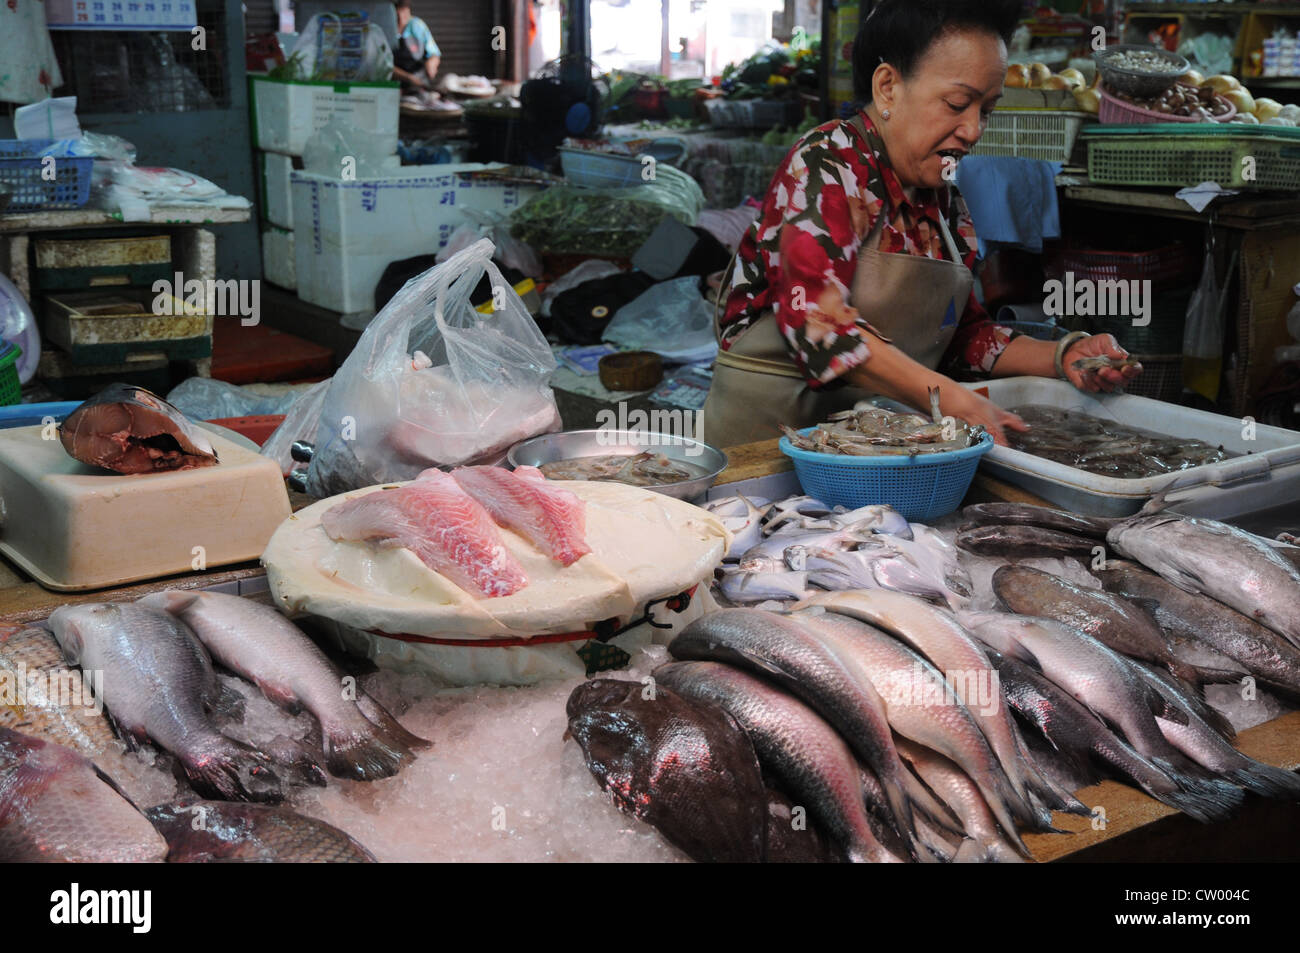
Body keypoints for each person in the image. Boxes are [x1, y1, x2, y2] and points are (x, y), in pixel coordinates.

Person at [702, 0, 1142, 449]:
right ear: (888, 87)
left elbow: (961, 338)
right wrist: (948, 398)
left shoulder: (943, 200)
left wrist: (1062, 354)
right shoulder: (826, 166)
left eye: (986, 110)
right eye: (956, 103)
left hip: (871, 451)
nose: (972, 130)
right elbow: (819, 324)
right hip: (761, 450)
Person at [392, 0, 442, 93]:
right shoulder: (386, 30)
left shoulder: (417, 25)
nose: (401, 19)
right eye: (397, 16)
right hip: (394, 87)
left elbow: (434, 54)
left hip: (420, 85)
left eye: (404, 14)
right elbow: (384, 65)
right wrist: (408, 78)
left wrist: (432, 64)